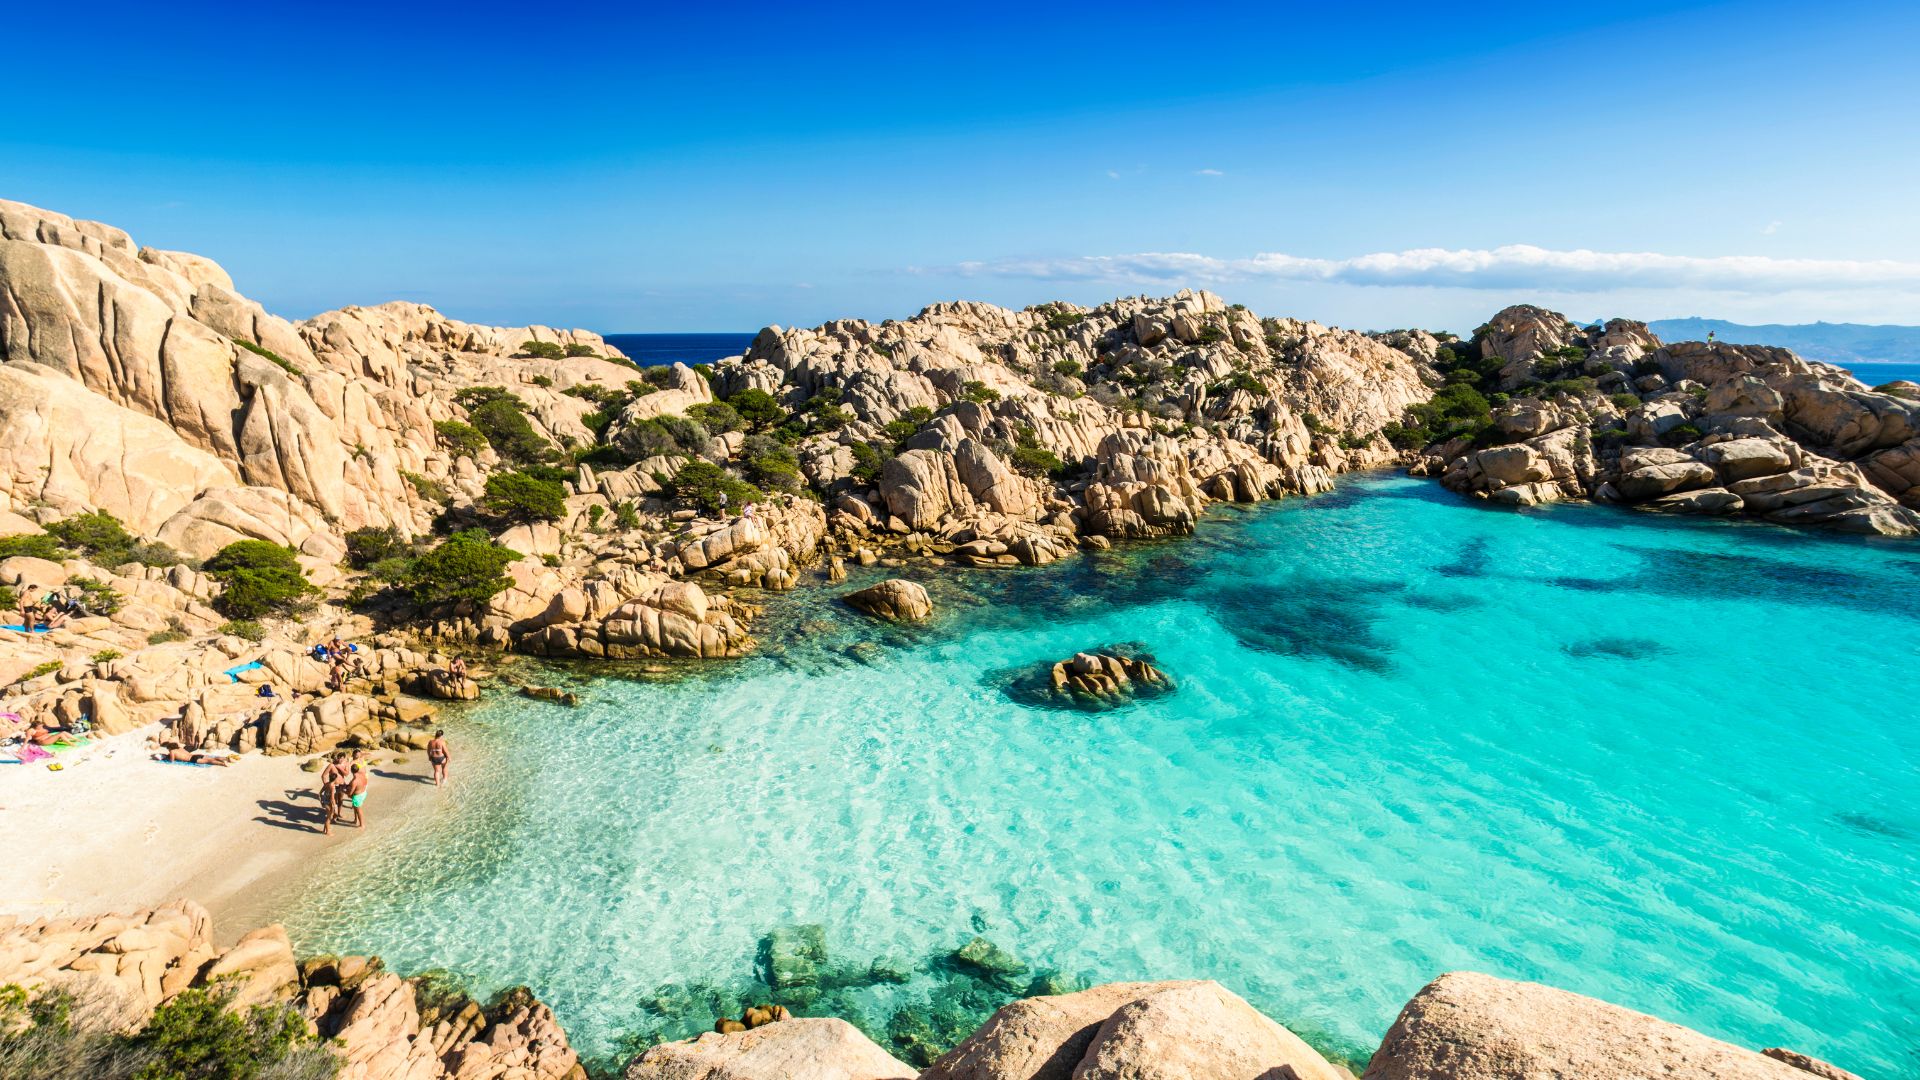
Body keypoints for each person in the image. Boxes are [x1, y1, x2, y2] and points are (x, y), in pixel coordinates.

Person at [319, 752, 349, 834]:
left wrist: (340, 767)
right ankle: (333, 818)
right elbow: (323, 775)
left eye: (342, 758)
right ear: (336, 758)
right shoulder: (331, 765)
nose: (340, 760)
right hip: (334, 787)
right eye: (338, 758)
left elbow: (346, 774)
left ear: (344, 758)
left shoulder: (345, 764)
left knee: (341, 800)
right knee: (333, 803)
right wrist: (326, 785)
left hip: (342, 785)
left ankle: (338, 814)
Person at [344, 763, 369, 829]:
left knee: (359, 811)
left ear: (351, 771)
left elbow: (350, 793)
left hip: (357, 797)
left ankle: (362, 825)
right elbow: (365, 782)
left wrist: (343, 791)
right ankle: (356, 820)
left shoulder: (354, 781)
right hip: (363, 793)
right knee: (355, 808)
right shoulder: (362, 775)